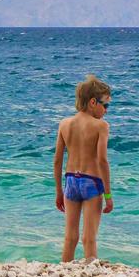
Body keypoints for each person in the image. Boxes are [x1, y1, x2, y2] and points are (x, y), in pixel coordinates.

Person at [54, 75, 113, 263]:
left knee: (70, 238)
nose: (106, 111)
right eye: (106, 105)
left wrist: (58, 191)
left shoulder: (65, 124)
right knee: (89, 238)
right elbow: (102, 161)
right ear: (93, 102)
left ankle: (64, 271)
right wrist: (108, 195)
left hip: (70, 181)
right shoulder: (101, 126)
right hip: (91, 182)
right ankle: (90, 273)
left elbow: (57, 161)